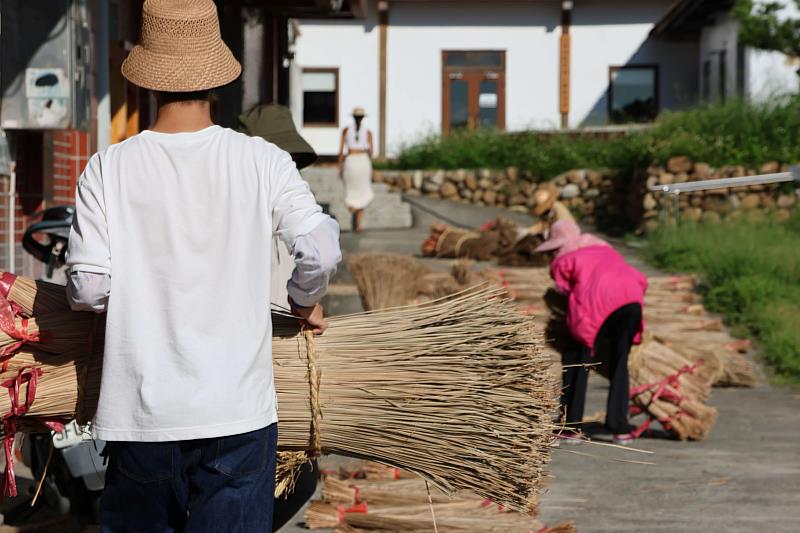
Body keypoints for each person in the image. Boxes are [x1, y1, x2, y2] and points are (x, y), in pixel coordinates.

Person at [65, 1, 342, 531]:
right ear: (216, 81)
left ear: (146, 81)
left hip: (140, 421)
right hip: (238, 417)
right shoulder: (263, 160)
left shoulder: (108, 167)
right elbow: (321, 249)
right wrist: (302, 301)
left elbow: (88, 287)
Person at [535, 220, 647, 445]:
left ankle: (569, 427)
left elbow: (565, 293)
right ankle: (620, 428)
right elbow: (641, 279)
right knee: (618, 362)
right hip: (632, 301)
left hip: (599, 304)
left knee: (576, 357)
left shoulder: (563, 260)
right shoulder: (606, 250)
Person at [337, 107, 374, 233]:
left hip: (352, 160)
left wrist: (340, 165)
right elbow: (371, 152)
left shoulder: (346, 131)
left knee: (353, 192)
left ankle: (356, 221)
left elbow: (341, 151)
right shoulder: (368, 132)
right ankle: (357, 223)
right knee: (360, 192)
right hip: (361, 160)